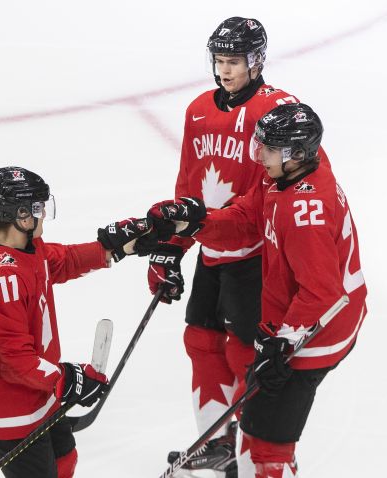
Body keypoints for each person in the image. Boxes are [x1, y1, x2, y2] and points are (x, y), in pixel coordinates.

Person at [148, 103, 367, 477]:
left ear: (296, 153)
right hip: (307, 319)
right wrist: (196, 222)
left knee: (266, 449)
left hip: (319, 331)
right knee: (257, 431)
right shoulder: (283, 178)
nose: (258, 154)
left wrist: (283, 342)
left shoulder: (305, 211)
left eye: (268, 148)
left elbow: (321, 293)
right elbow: (246, 217)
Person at [144, 16, 300, 477]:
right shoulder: (198, 109)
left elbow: (268, 192)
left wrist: (209, 225)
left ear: (256, 60)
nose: (224, 70)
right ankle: (215, 442)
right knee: (200, 340)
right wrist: (172, 247)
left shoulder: (276, 110)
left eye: (233, 61)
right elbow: (189, 184)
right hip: (213, 251)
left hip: (255, 257)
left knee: (244, 353)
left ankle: (253, 450)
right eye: (219, 60)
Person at [0, 166, 151, 478]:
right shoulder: (1, 279)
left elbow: (54, 262)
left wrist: (109, 249)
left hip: (32, 389)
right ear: (20, 215)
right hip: (10, 404)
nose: (43, 214)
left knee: (64, 457)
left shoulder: (7, 240)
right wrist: (67, 380)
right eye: (37, 208)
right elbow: (16, 361)